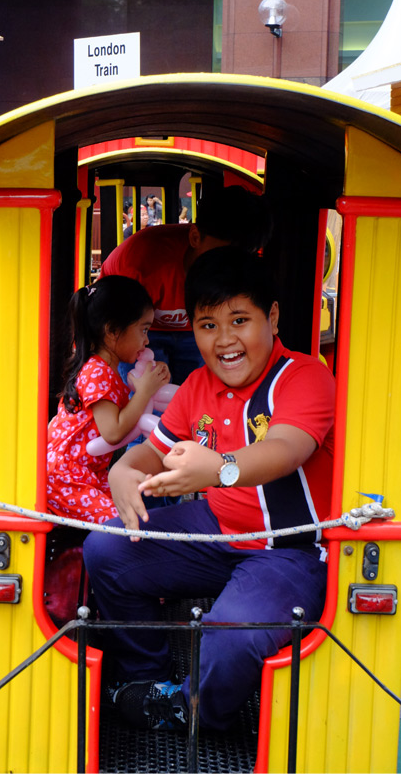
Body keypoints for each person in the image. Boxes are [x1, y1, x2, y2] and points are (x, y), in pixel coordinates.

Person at [84, 246, 334, 734]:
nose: (225, 340)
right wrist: (122, 472)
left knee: (232, 635)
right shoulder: (199, 384)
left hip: (291, 550)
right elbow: (149, 453)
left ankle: (199, 710)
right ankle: (148, 680)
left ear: (273, 317)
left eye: (239, 320)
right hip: (219, 531)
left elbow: (285, 449)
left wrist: (218, 469)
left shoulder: (304, 376)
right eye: (208, 325)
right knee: (106, 548)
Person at [99, 185, 272, 386]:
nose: (228, 270)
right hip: (137, 329)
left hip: (196, 331)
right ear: (195, 237)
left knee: (199, 398)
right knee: (145, 398)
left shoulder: (243, 270)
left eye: (239, 259)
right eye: (220, 256)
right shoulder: (143, 265)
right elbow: (115, 330)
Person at [45, 276, 170, 526]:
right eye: (143, 330)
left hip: (86, 472)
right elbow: (112, 432)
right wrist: (144, 392)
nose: (147, 341)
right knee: (122, 524)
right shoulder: (97, 371)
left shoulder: (104, 369)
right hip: (67, 476)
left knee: (131, 510)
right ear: (113, 331)